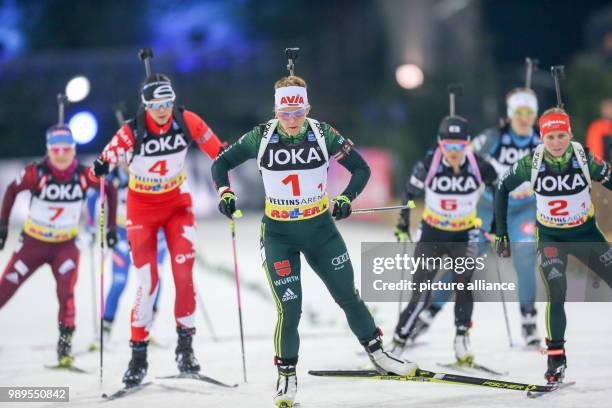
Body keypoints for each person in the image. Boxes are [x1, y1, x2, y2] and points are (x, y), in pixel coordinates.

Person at [211, 75, 416, 408]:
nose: (291, 121)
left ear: (307, 108)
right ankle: (287, 375)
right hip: (278, 234)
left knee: (347, 295)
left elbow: (361, 169)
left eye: (298, 112)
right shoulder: (260, 137)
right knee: (289, 309)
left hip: (321, 230)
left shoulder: (323, 133)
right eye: (285, 113)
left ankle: (378, 354)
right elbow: (221, 163)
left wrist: (347, 198)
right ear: (277, 110)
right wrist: (226, 192)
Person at [91, 72, 225, 387]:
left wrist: (225, 183)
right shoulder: (132, 130)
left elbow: (219, 154)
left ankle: (185, 349)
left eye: (167, 102)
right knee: (147, 283)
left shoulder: (186, 120)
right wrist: (101, 167)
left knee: (183, 277)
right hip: (141, 209)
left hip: (178, 206)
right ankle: (138, 358)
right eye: (155, 104)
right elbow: (104, 161)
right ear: (145, 105)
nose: (163, 110)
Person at [410, 88, 542, 347]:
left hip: (522, 208)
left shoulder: (540, 140)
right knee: (464, 264)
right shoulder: (494, 137)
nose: (524, 118)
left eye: (529, 113)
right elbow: (461, 154)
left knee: (525, 255)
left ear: (535, 115)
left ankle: (528, 320)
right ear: (510, 114)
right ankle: (428, 313)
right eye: (519, 112)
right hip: (488, 208)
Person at [496, 107, 612, 384]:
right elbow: (502, 187)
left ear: (570, 134)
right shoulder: (531, 162)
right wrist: (502, 233)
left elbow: (608, 177)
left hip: (586, 235)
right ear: (541, 138)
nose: (557, 142)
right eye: (550, 137)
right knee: (556, 292)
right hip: (551, 239)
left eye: (561, 135)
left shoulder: (584, 157)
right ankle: (556, 360)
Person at [0, 124, 117, 367]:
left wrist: (112, 227)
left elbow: (111, 190)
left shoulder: (85, 175)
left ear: (74, 150)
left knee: (66, 293)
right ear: (48, 150)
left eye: (66, 149)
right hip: (32, 244)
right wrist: (3, 226)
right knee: (5, 288)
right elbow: (11, 191)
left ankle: (65, 347)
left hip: (65, 246)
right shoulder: (37, 173)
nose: (61, 155)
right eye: (56, 150)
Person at [392, 115, 497, 365]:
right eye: (448, 146)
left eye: (459, 147)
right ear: (440, 144)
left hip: (465, 234)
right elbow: (409, 191)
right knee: (421, 292)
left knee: (463, 284)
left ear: (467, 144)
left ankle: (461, 339)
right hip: (433, 233)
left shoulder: (479, 165)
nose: (453, 152)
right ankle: (398, 342)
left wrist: (496, 224)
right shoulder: (429, 163)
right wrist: (403, 222)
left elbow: (499, 188)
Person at [84, 164, 167, 344]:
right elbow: (91, 199)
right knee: (119, 282)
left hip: (151, 233)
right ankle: (104, 333)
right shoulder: (111, 178)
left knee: (154, 279)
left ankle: (147, 329)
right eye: (126, 157)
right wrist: (89, 228)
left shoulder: (150, 171)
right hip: (123, 235)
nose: (129, 162)